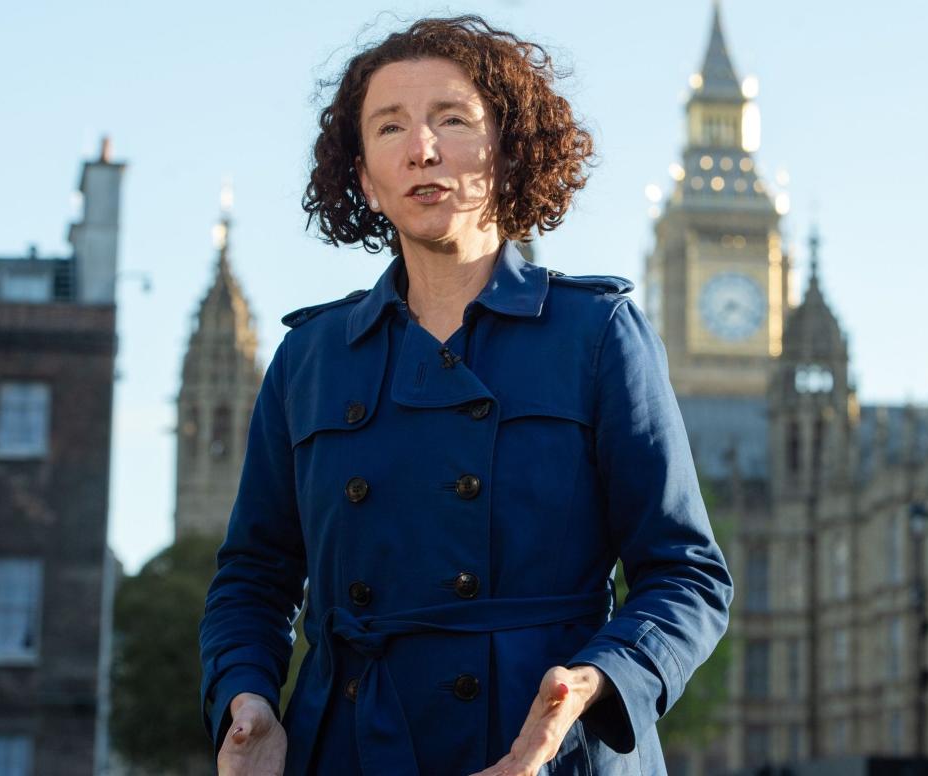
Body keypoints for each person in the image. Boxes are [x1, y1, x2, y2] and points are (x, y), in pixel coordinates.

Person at [198, 15, 733, 776]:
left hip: (545, 751)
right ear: (363, 177)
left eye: (451, 119)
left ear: (507, 151)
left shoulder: (596, 333)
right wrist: (244, 699)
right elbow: (252, 580)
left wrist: (596, 682)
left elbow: (687, 574)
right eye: (390, 128)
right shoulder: (309, 358)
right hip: (351, 745)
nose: (422, 147)